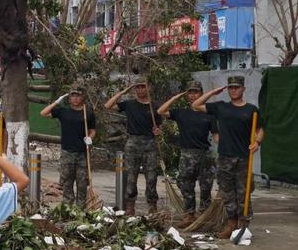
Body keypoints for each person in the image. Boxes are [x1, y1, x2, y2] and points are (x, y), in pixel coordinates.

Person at [192, 75, 264, 239]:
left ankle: (243, 224)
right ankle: (231, 223)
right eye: (230, 87)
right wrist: (213, 92)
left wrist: (257, 142)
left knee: (243, 192)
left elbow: (260, 129)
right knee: (227, 192)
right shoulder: (220, 107)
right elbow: (196, 105)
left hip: (243, 157)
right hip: (225, 157)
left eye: (236, 87)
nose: (233, 90)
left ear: (243, 89)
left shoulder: (251, 109)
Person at [157, 81, 218, 227]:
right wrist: (176, 97)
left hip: (204, 155)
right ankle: (189, 215)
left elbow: (216, 136)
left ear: (201, 94)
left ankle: (204, 215)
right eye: (190, 92)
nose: (192, 95)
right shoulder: (181, 113)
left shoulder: (209, 114)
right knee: (185, 184)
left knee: (205, 186)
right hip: (186, 154)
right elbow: (160, 111)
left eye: (196, 92)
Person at [104, 77, 163, 215]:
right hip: (132, 142)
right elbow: (108, 106)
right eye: (137, 87)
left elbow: (159, 127)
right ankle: (130, 206)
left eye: (143, 86)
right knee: (131, 176)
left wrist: (158, 131)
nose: (140, 89)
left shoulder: (155, 106)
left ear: (148, 88)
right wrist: (124, 91)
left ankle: (152, 206)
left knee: (151, 177)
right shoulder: (129, 104)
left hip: (150, 142)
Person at [40, 84, 96, 208]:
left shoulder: (88, 113)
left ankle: (81, 210)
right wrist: (56, 102)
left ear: (82, 98)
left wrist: (90, 138)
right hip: (67, 153)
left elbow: (93, 130)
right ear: (69, 98)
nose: (75, 98)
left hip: (82, 153)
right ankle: (67, 209)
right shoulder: (63, 111)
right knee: (67, 183)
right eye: (73, 96)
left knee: (82, 183)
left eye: (78, 96)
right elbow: (43, 113)